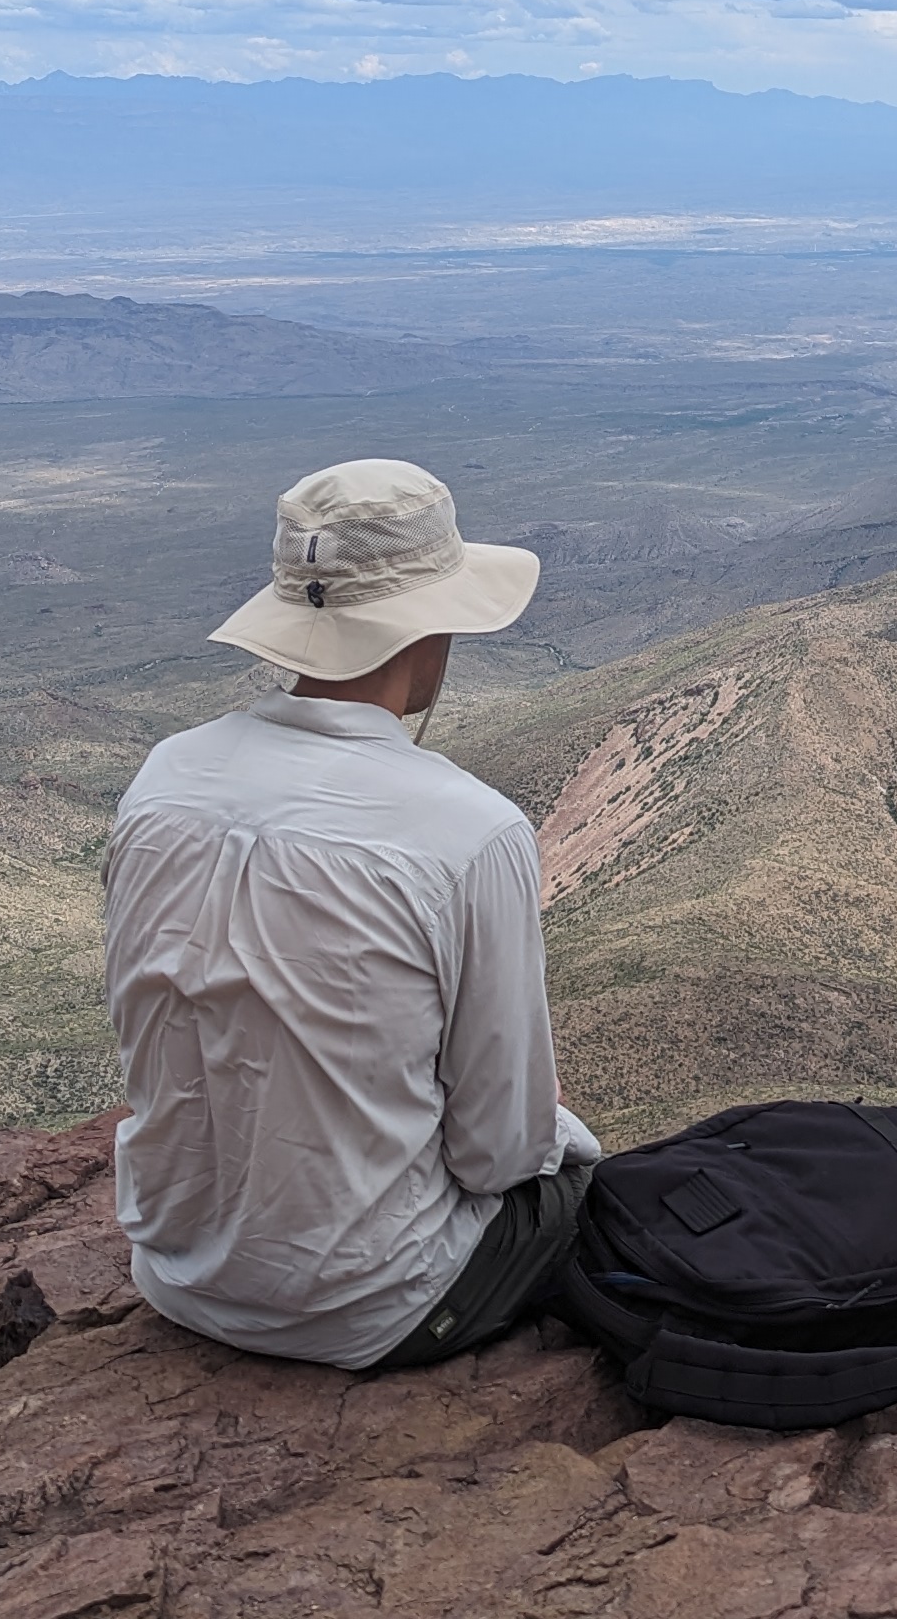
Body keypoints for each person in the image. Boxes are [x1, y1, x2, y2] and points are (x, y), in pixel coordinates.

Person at [102, 458, 599, 1370]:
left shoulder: (163, 778)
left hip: (174, 1275)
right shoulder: (471, 831)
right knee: (603, 1190)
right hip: (376, 1305)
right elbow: (497, 1155)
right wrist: (562, 1131)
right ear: (431, 629)